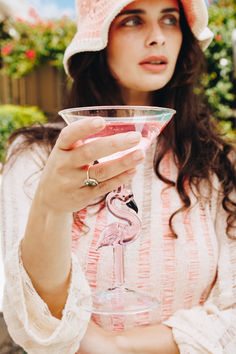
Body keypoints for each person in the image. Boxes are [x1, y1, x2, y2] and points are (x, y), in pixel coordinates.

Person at [1, 0, 236, 352]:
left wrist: (117, 345)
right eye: (132, 20)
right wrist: (50, 207)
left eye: (170, 20)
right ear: (99, 41)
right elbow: (33, 318)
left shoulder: (217, 163)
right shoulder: (37, 157)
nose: (157, 38)